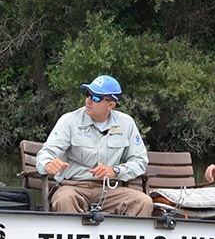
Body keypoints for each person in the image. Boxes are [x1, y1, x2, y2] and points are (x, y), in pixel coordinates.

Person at [36, 74, 154, 216]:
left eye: (96, 98)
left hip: (110, 189)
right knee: (64, 199)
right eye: (88, 94)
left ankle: (124, 238)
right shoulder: (69, 120)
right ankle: (75, 238)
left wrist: (116, 171)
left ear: (111, 104)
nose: (89, 100)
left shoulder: (127, 123)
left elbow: (140, 161)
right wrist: (48, 164)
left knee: (143, 202)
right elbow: (46, 152)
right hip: (73, 186)